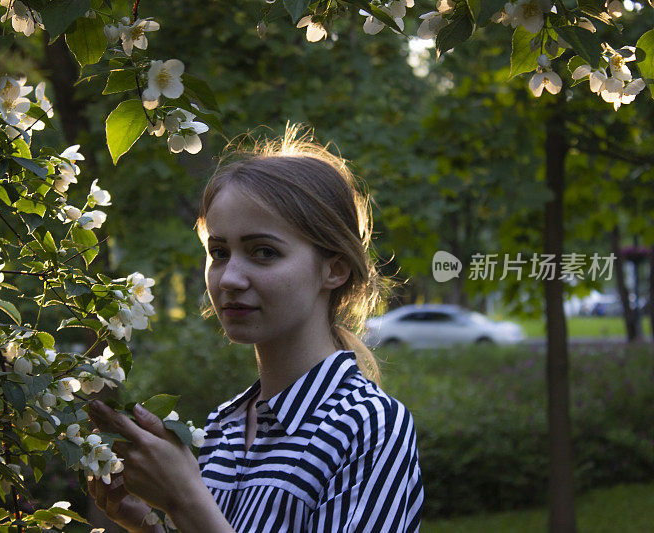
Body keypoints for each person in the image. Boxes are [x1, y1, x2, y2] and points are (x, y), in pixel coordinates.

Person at [88, 127, 423, 532]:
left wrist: (183, 498)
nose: (229, 278)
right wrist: (147, 523)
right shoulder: (222, 428)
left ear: (334, 269)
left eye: (264, 252)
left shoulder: (369, 425)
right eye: (219, 252)